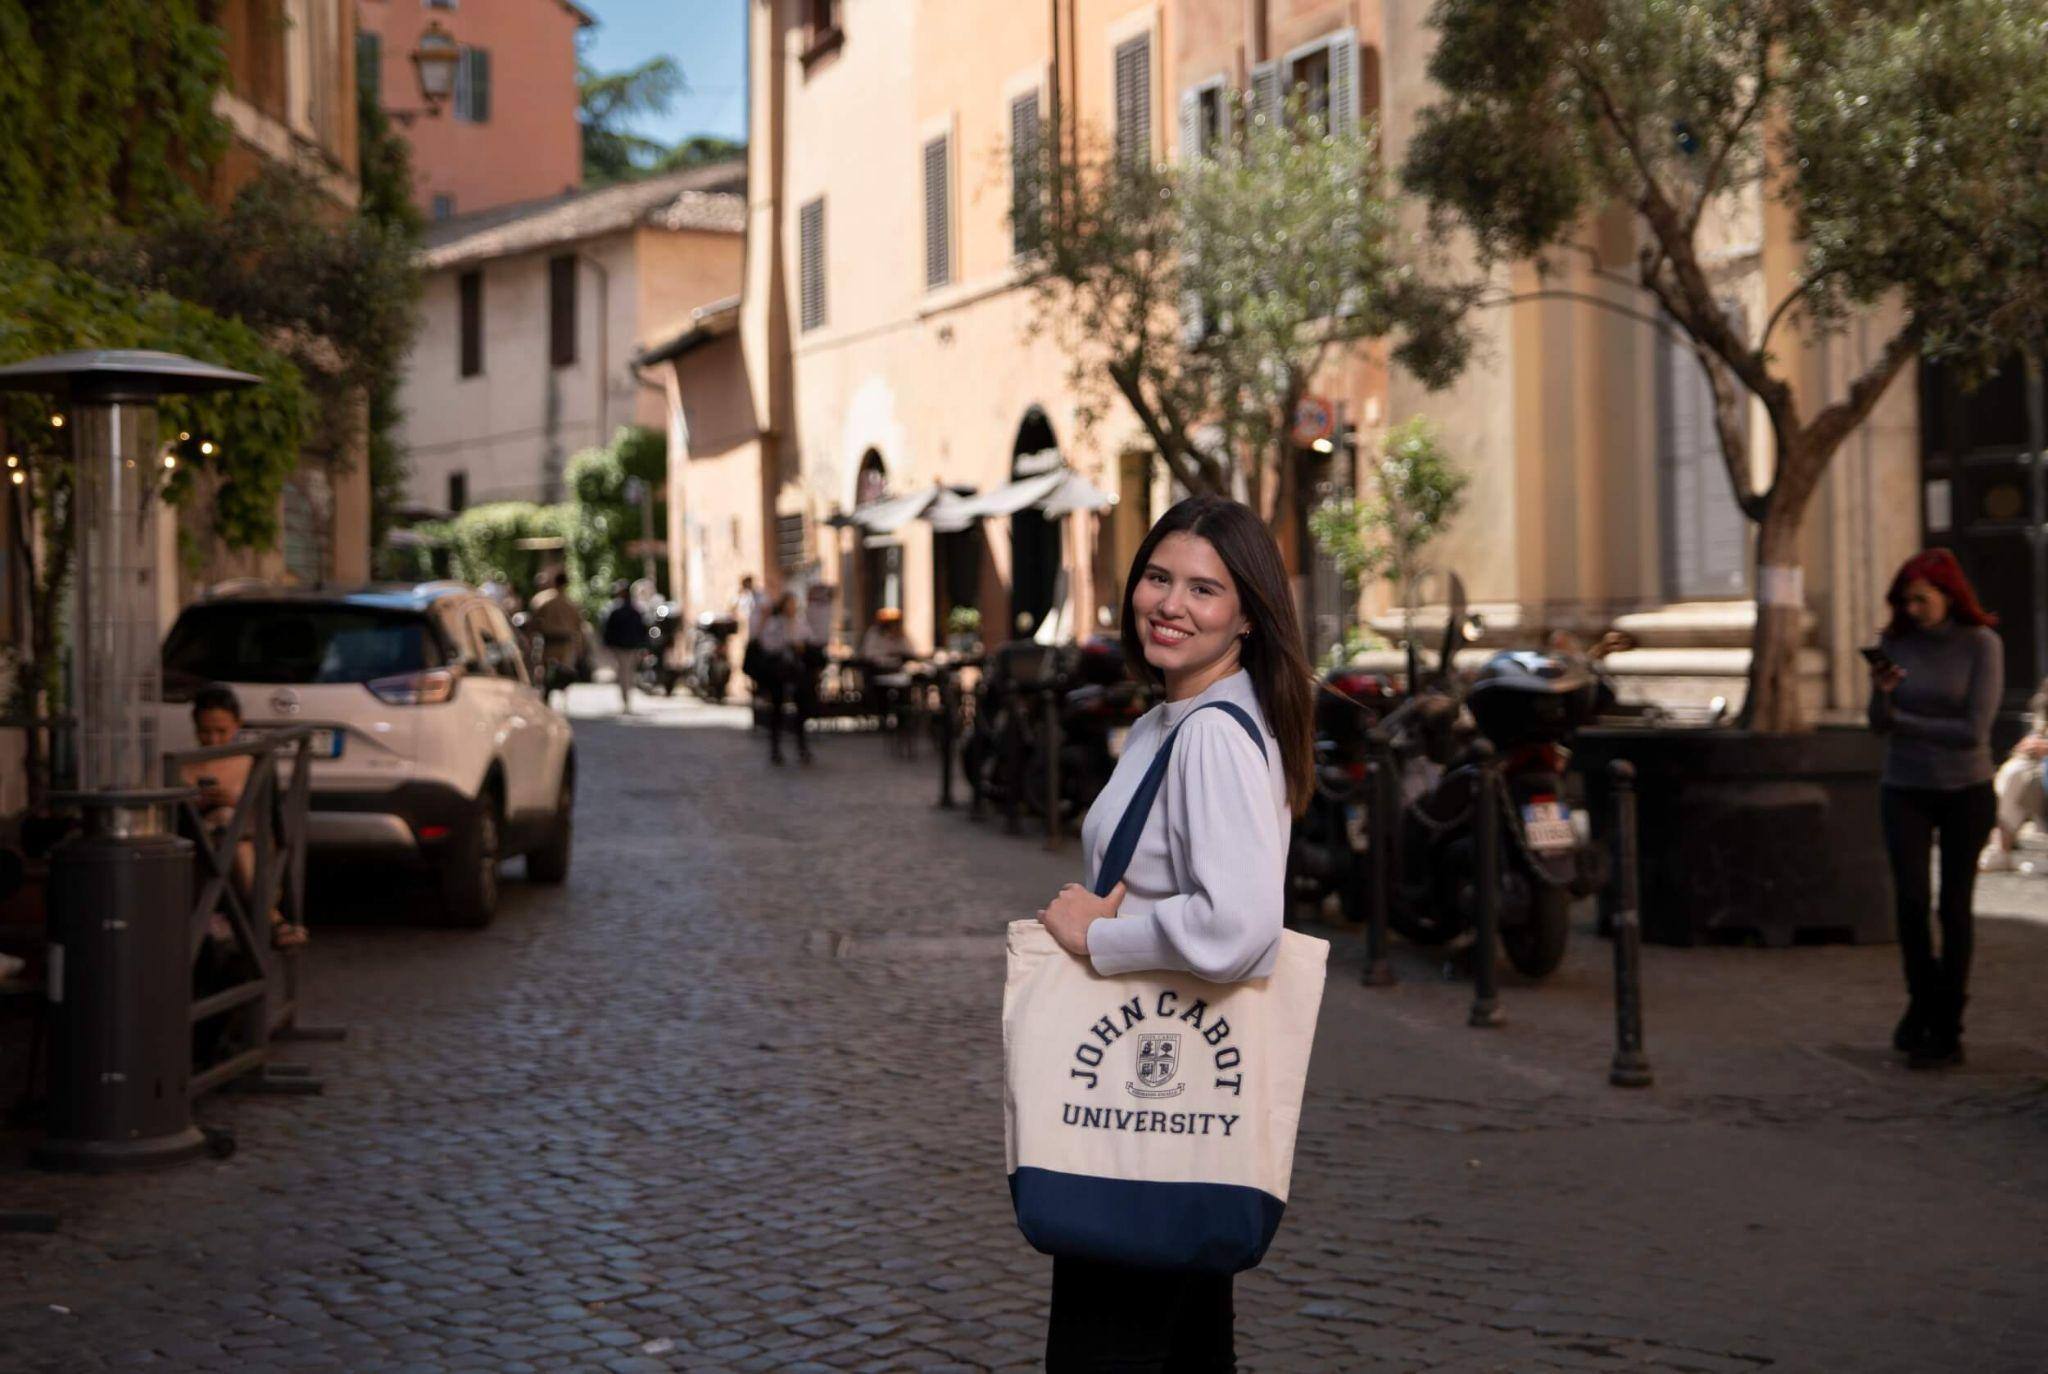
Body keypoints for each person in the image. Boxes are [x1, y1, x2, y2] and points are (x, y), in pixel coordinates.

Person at [1033, 495, 1314, 1372]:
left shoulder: (1209, 738)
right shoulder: (1174, 718)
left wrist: (1097, 938)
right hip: (1169, 1099)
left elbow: (1239, 926)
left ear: (1247, 617)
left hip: (1145, 1100)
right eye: (1158, 577)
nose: (1170, 603)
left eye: (1204, 589)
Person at [1868, 548, 2002, 1070]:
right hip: (1903, 787)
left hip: (1966, 789)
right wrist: (1884, 699)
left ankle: (1947, 1022)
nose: (1914, 608)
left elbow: (1974, 731)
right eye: (1907, 600)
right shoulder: (1894, 642)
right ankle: (1923, 1004)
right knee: (1909, 901)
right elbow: (1878, 723)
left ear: (1949, 595)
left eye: (1922, 599)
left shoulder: (1981, 645)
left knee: (1954, 906)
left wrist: (1905, 721)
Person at [178, 685, 308, 950]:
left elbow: (270, 820)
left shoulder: (252, 764)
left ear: (237, 725)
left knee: (233, 831)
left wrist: (237, 805)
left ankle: (269, 918)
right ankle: (269, 920)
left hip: (243, 851)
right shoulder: (182, 766)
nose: (213, 740)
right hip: (199, 858)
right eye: (205, 731)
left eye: (221, 731)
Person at [1981, 677, 2048, 871]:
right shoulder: (2043, 702)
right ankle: (2000, 849)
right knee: (2013, 771)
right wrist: (2031, 745)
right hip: (2041, 769)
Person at [756, 591, 816, 766]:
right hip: (778, 672)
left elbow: (809, 641)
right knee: (777, 709)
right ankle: (775, 749)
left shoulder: (800, 623)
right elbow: (766, 644)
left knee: (801, 708)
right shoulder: (774, 624)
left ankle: (802, 747)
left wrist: (802, 647)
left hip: (796, 671)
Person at [526, 569, 583, 704]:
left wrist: (530, 638)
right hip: (565, 641)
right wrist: (580, 645)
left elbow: (534, 620)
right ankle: (562, 696)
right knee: (564, 668)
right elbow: (578, 626)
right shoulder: (571, 603)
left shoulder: (543, 599)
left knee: (545, 668)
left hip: (549, 639)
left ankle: (547, 693)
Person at [601, 581, 648, 715]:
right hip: (625, 647)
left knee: (624, 674)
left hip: (625, 647)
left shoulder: (620, 610)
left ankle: (626, 700)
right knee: (627, 673)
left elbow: (609, 630)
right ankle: (626, 700)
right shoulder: (631, 610)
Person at [858, 607, 912, 672]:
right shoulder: (874, 634)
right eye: (891, 622)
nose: (894, 625)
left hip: (897, 670)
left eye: (896, 622)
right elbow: (869, 655)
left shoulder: (900, 635)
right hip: (877, 671)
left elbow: (909, 652)